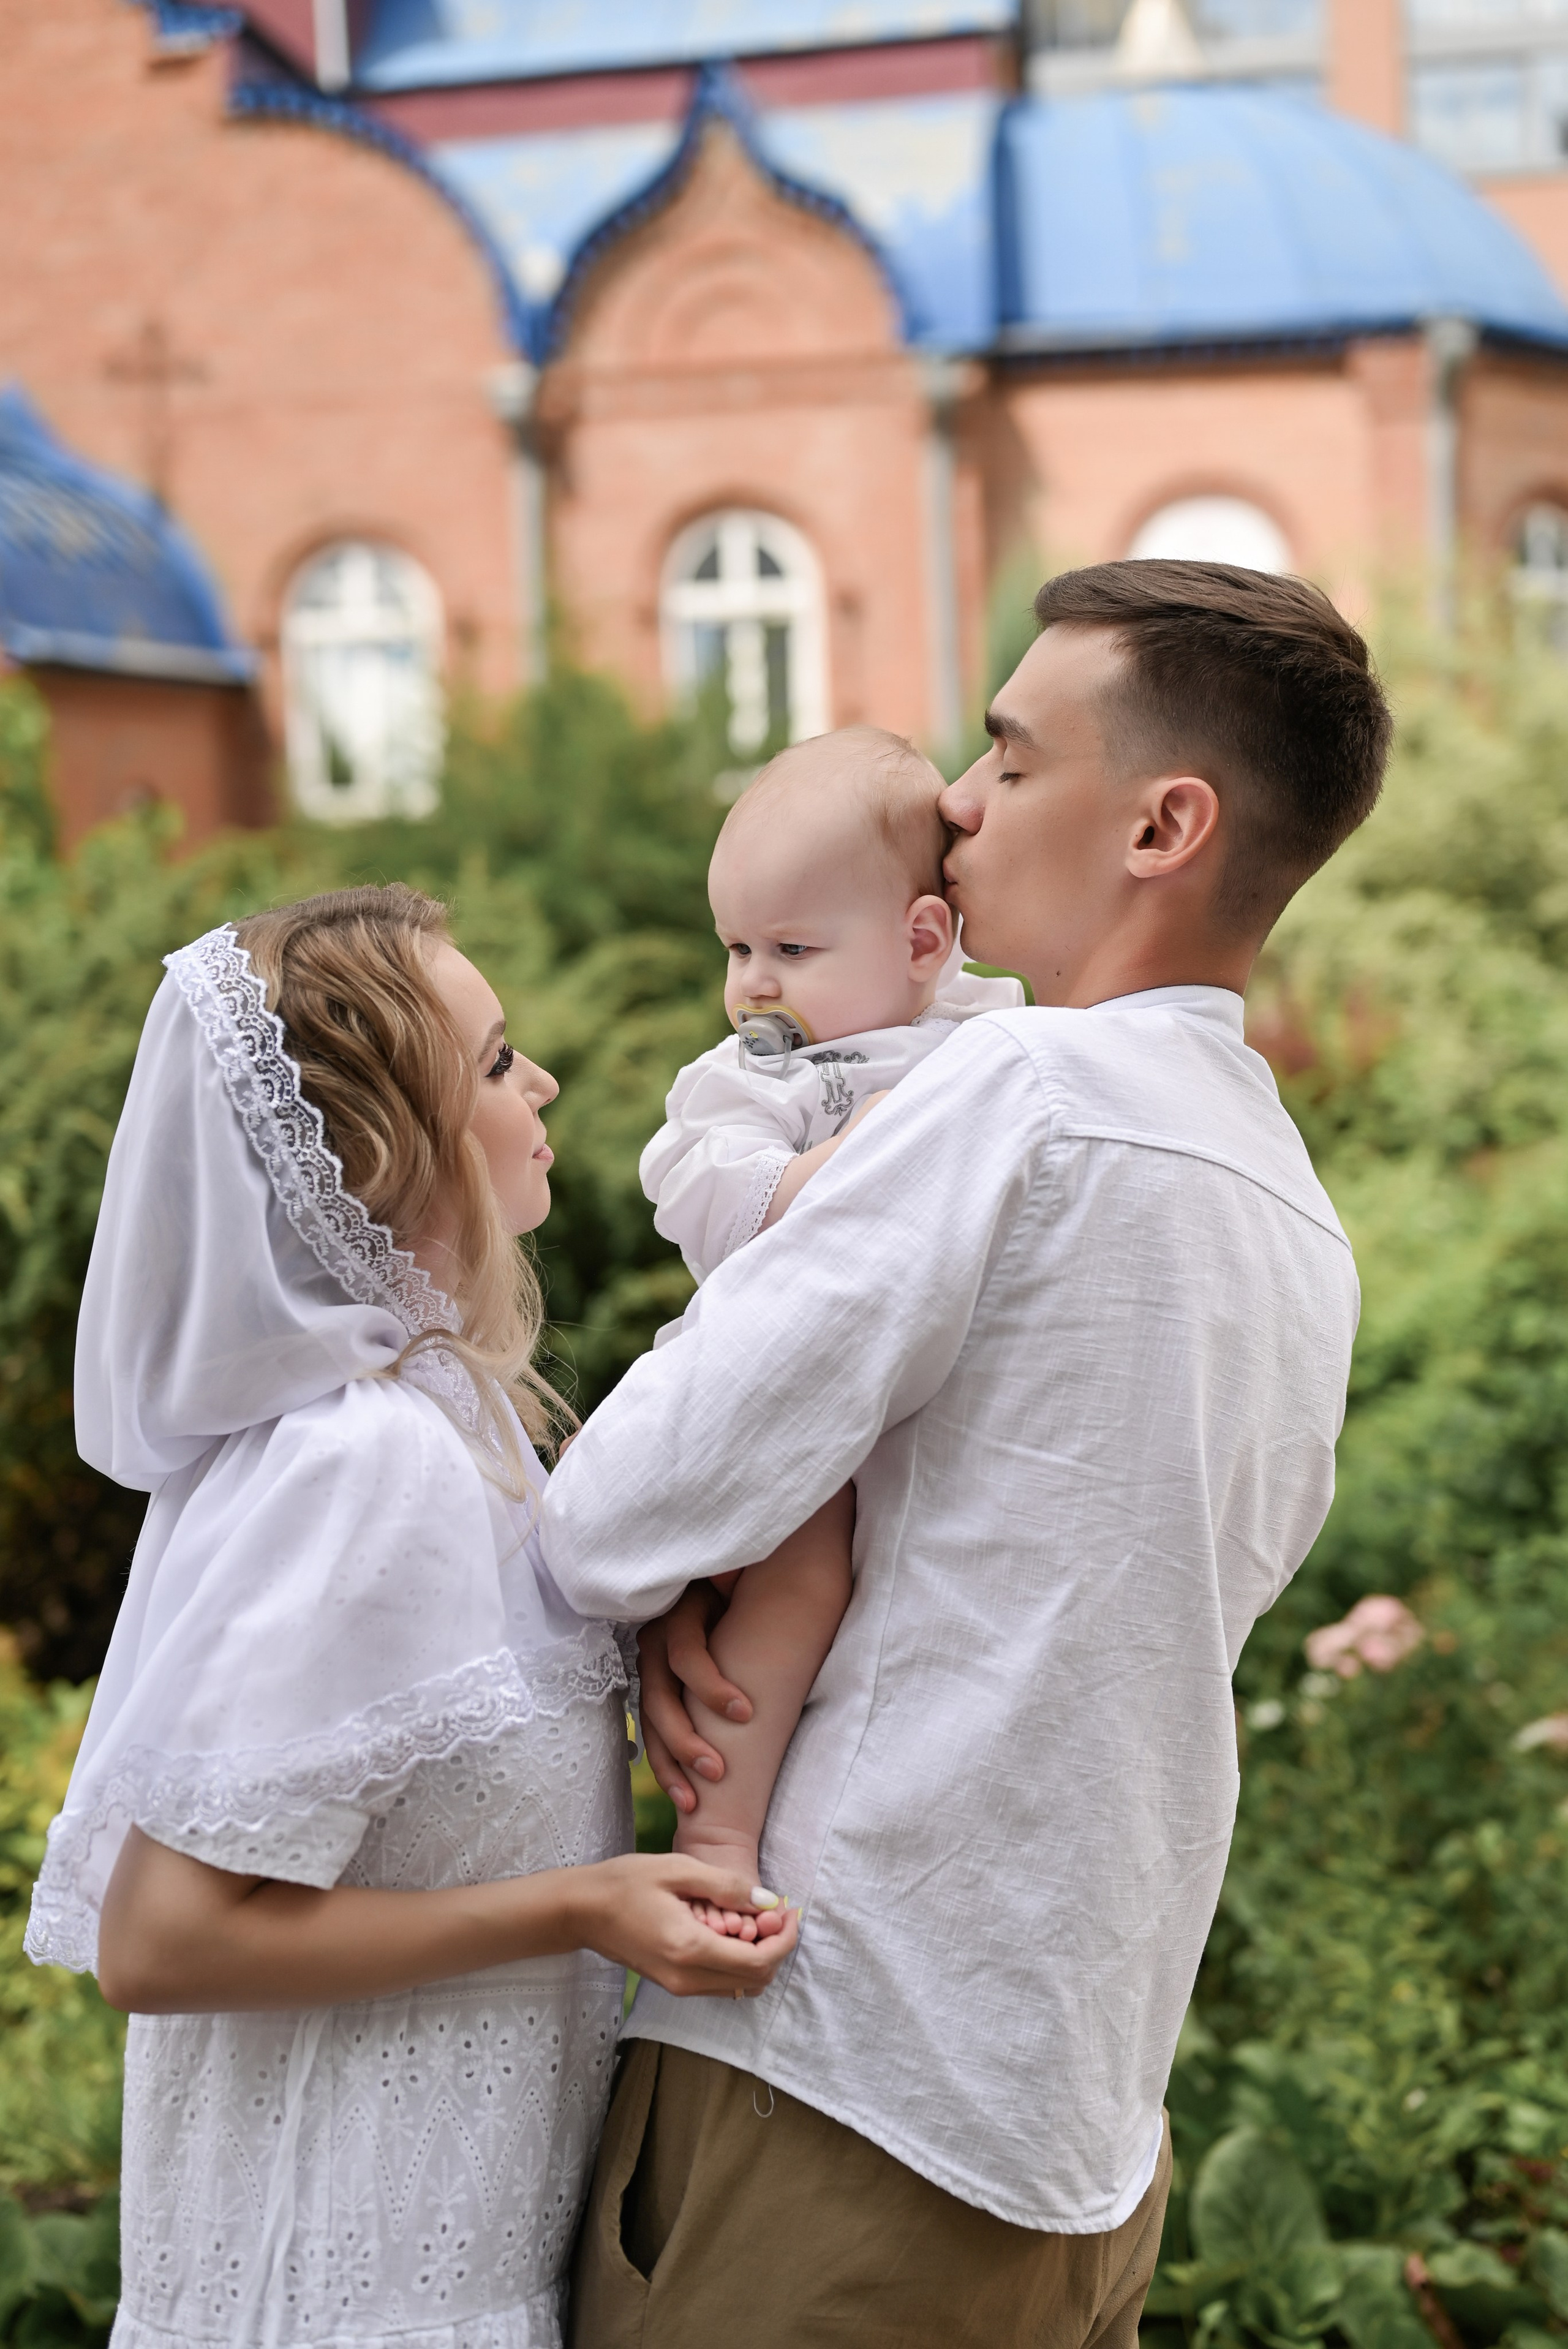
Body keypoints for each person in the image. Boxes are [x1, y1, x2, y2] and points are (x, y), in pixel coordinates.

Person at [541, 562, 1392, 2349]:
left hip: (843, 2064)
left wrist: (680, 1612)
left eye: (1010, 756)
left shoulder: (1008, 1098)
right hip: (1089, 2118)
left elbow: (616, 1512)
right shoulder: (1300, 1217)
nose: (955, 799)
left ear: (1166, 823)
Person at [25, 885, 796, 2349]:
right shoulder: (358, 1463)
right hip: (338, 2287)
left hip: (453, 2262)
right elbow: (162, 1941)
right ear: (382, 1149)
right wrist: (584, 1904)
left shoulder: (456, 1421)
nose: (544, 1083)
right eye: (498, 1063)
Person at [639, 725, 1023, 1918]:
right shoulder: (758, 1077)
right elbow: (700, 1190)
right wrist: (847, 1165)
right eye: (737, 947)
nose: (752, 981)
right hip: (786, 1385)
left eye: (791, 947)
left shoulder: (987, 1040)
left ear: (920, 939)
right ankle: (718, 1833)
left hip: (919, 1387)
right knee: (801, 1576)